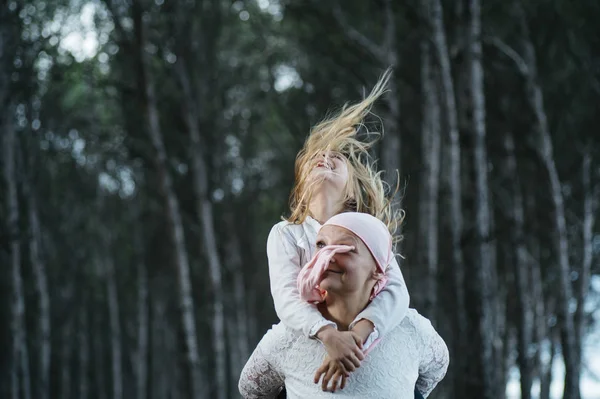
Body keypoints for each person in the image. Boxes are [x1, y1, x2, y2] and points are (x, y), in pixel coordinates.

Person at [265, 70, 410, 391]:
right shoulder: (285, 234)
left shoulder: (370, 232)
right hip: (311, 334)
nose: (325, 157)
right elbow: (286, 295)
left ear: (351, 192)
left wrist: (355, 337)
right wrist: (328, 335)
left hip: (363, 336)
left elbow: (396, 292)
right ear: (302, 182)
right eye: (315, 156)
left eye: (337, 158)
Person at [239, 212, 449, 398]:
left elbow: (435, 370)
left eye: (345, 248)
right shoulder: (288, 337)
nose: (326, 257)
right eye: (321, 245)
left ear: (378, 269)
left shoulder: (412, 329)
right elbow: (251, 390)